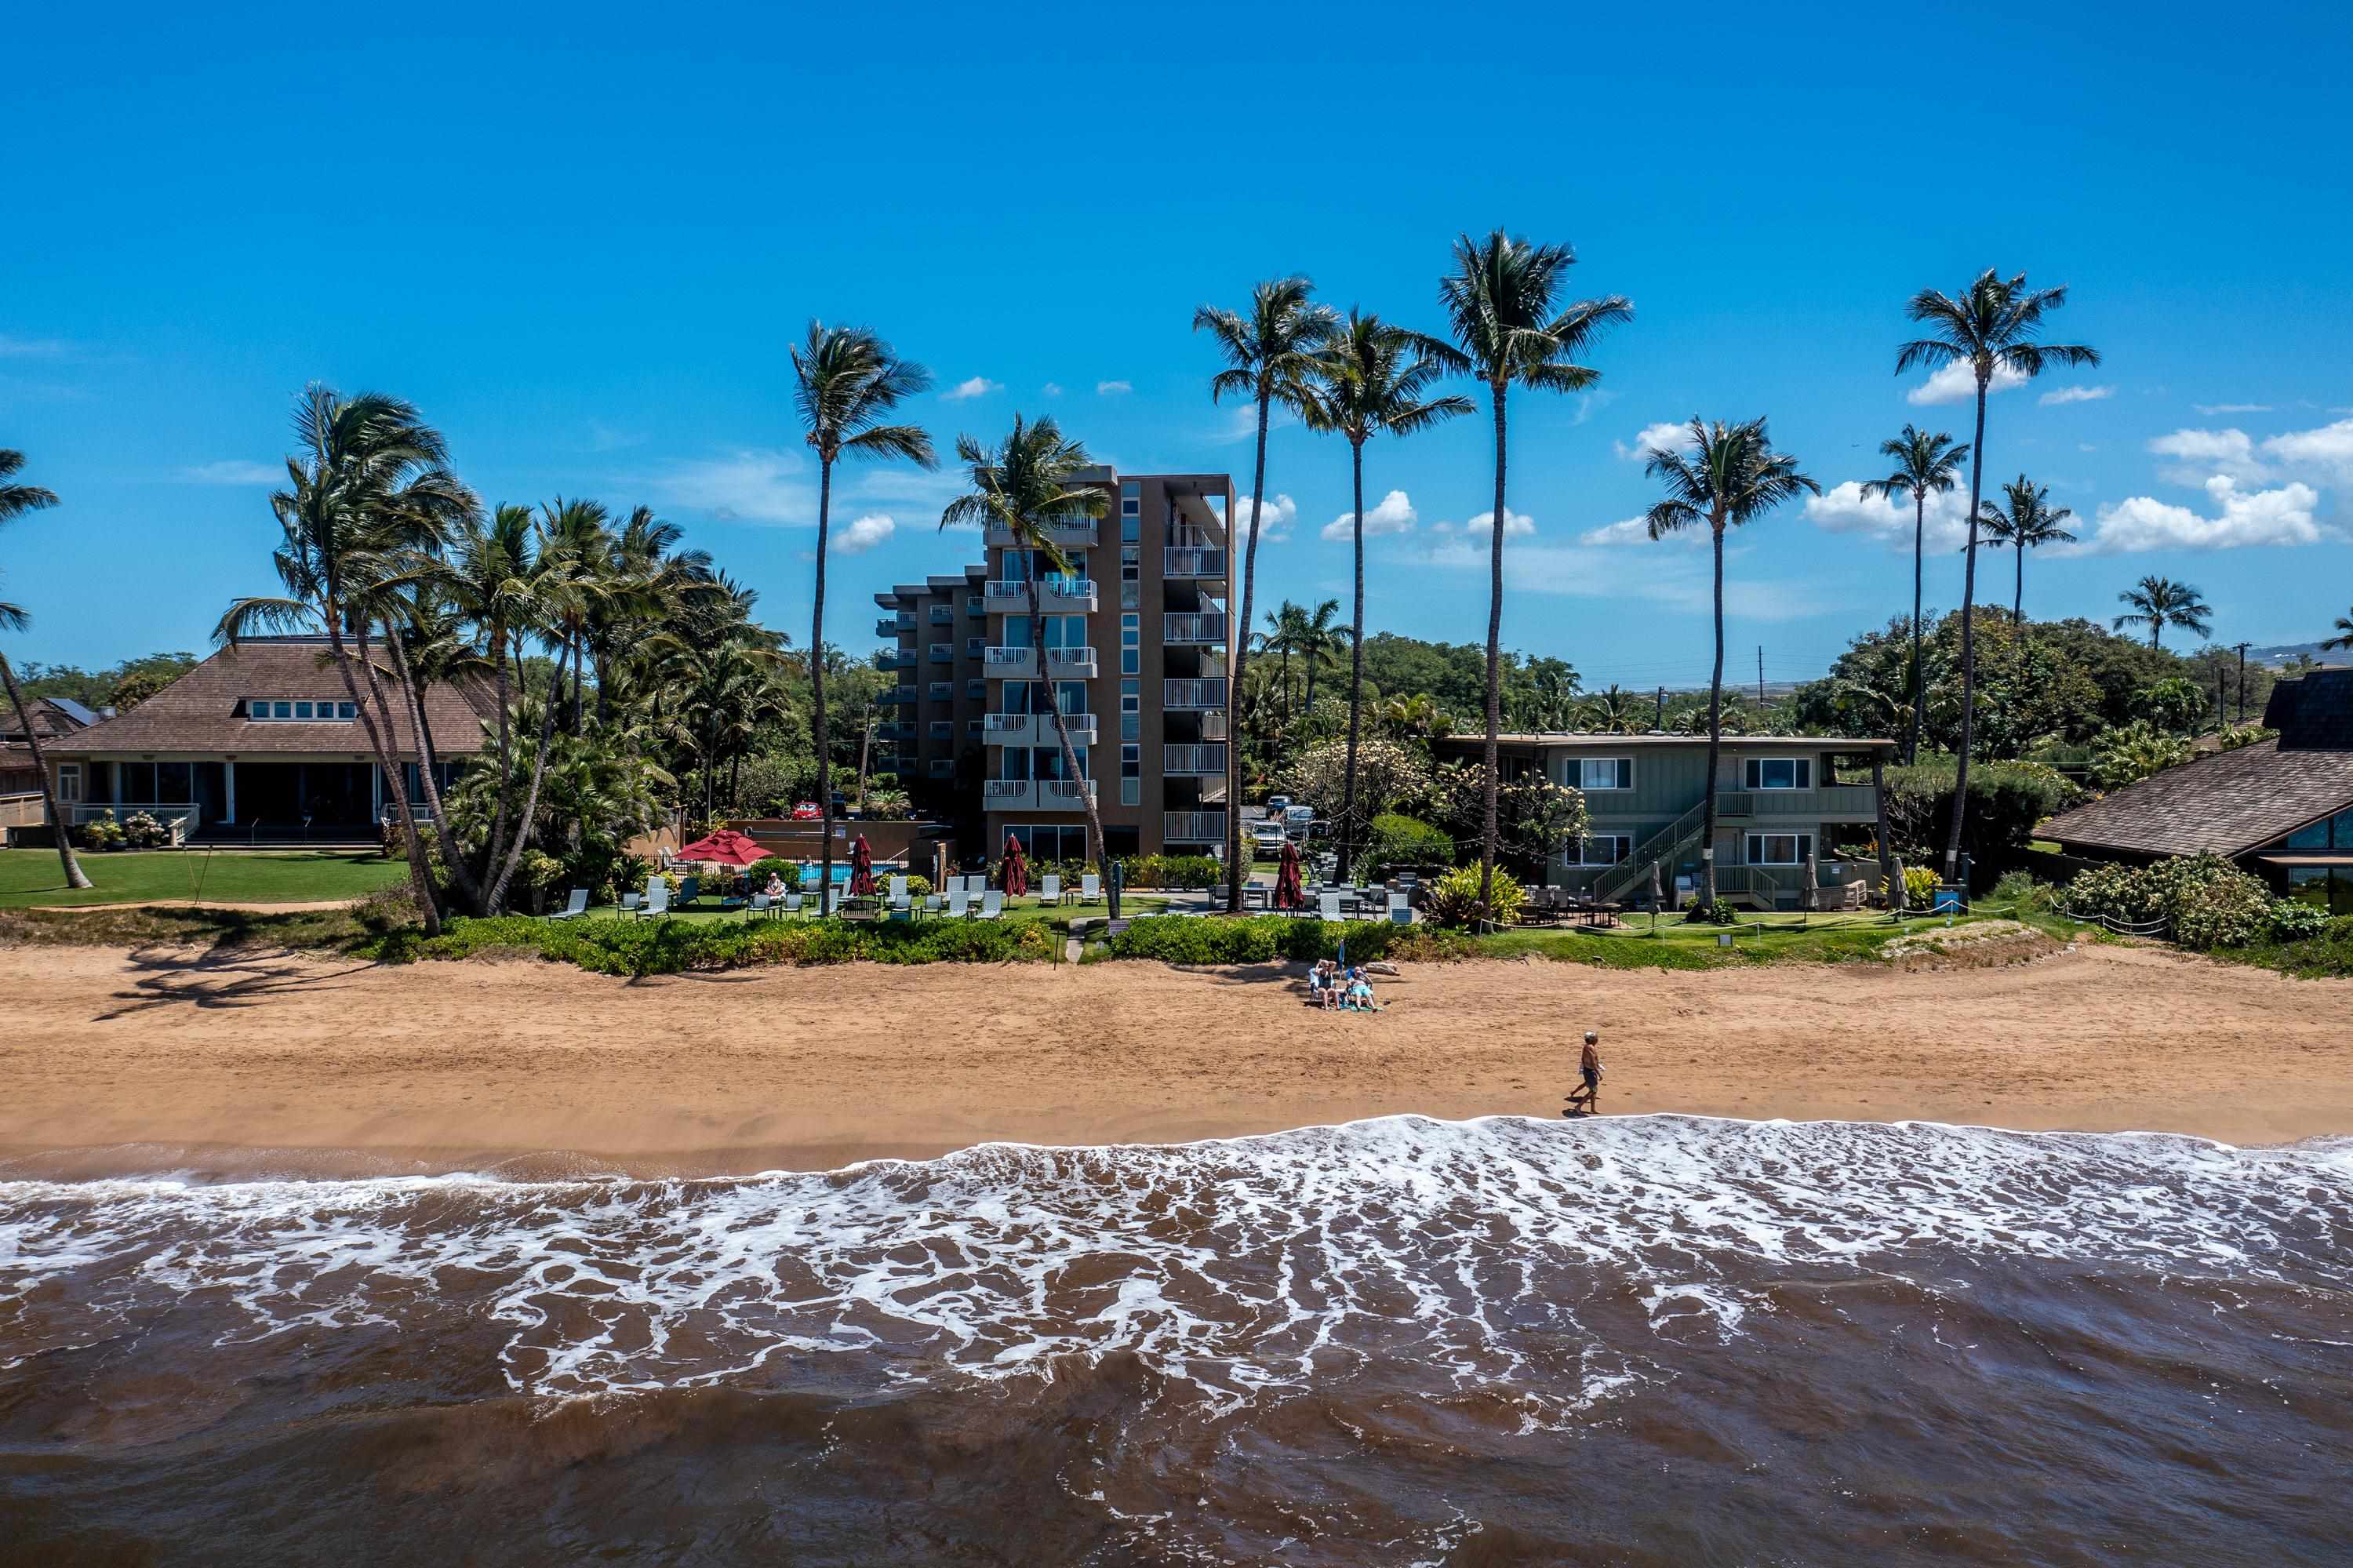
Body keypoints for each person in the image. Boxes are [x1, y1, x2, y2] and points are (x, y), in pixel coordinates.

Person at [1565, 1031, 1604, 1116]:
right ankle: (1578, 1107)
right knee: (1593, 1091)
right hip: (1591, 1071)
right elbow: (1593, 1062)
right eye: (1596, 1038)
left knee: (1594, 1090)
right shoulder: (1591, 1048)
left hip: (1588, 1070)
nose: (1597, 1039)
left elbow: (1583, 1059)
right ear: (1592, 1040)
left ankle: (1592, 1109)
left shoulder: (1586, 1047)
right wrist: (1599, 1073)